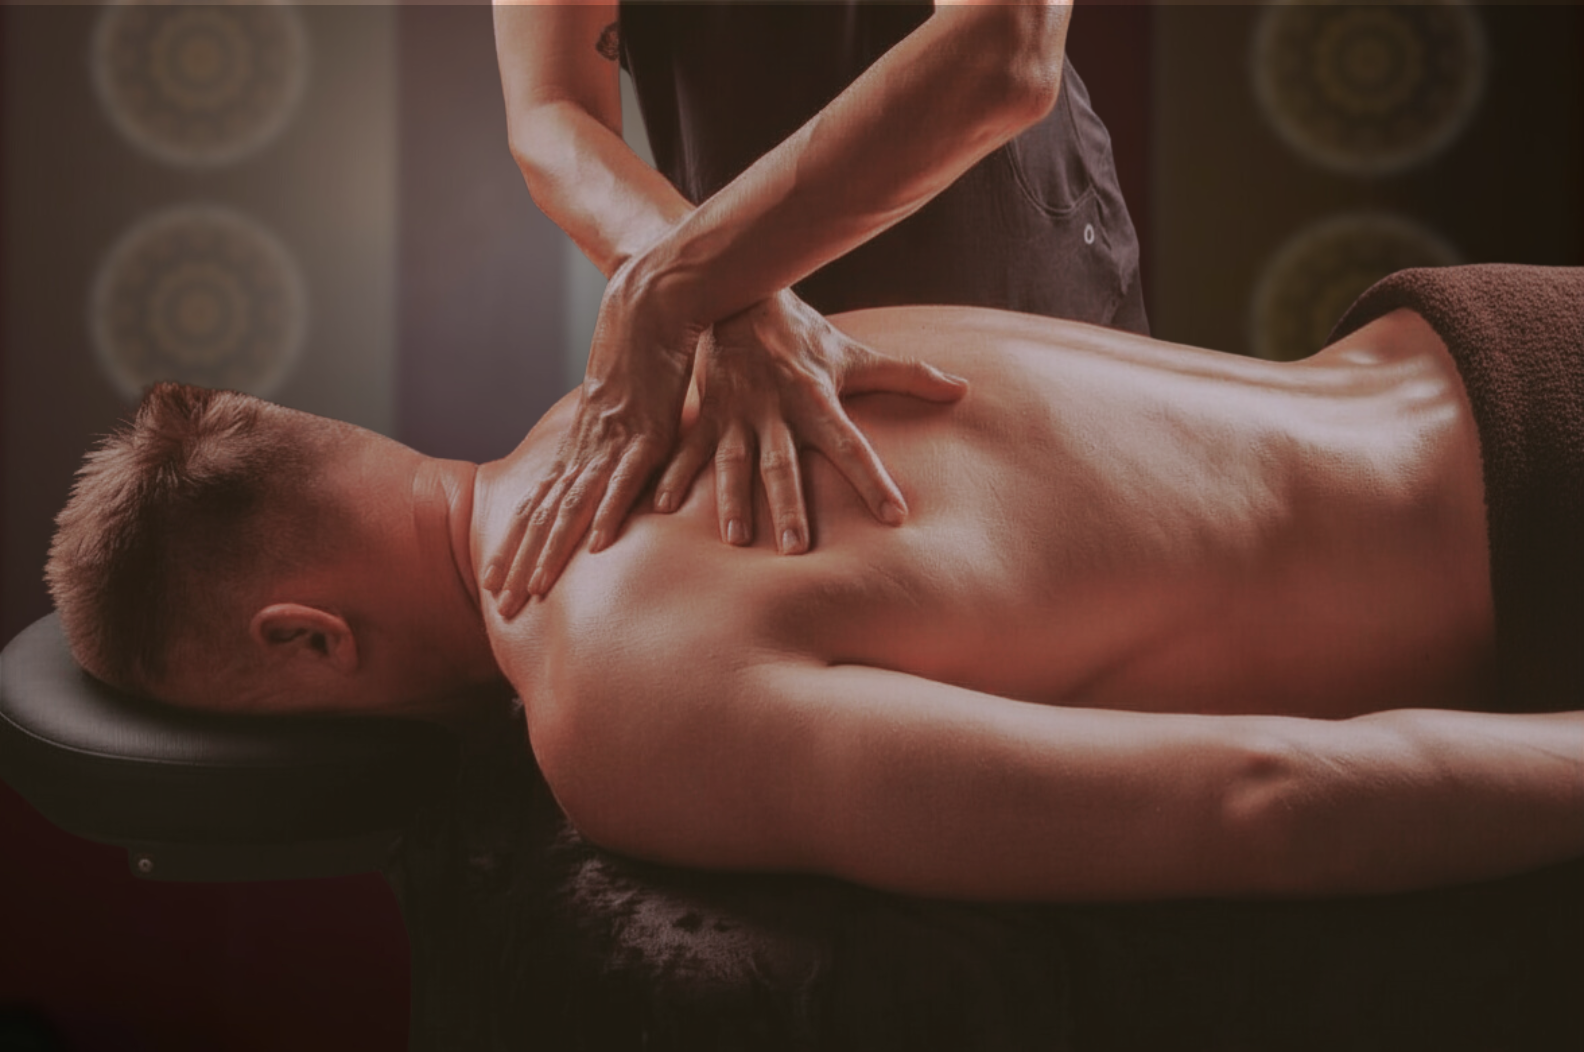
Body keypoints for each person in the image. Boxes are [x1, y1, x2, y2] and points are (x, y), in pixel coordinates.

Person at [45, 266, 1584, 903]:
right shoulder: (696, 341)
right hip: (1490, 333)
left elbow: (1261, 791)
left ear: (306, 638)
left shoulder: (615, 697)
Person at [490, 0, 1145, 609]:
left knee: (1107, 626)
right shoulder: (712, 286)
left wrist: (677, 283)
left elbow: (1009, 46)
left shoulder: (688, 281)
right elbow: (553, 104)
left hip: (1007, 257)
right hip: (754, 322)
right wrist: (718, 288)